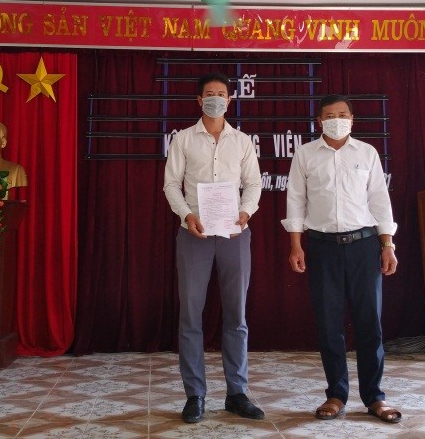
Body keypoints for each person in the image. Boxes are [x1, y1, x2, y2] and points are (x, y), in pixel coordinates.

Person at [282, 94, 402, 424]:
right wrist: (296, 245)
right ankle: (336, 394)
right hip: (322, 247)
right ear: (319, 121)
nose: (337, 120)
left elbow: (380, 200)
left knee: (369, 323)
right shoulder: (305, 154)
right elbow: (296, 200)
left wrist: (387, 244)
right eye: (330, 115)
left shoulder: (367, 153)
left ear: (352, 119)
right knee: (328, 323)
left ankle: (374, 396)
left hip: (364, 246)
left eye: (343, 114)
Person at [163, 72, 264, 424]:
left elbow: (254, 184)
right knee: (191, 315)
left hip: (235, 234)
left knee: (236, 315)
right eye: (209, 94)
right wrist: (187, 215)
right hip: (195, 234)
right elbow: (171, 185)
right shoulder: (183, 139)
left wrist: (245, 212)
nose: (216, 99)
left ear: (230, 100)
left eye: (221, 94)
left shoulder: (242, 141)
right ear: (199, 100)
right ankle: (195, 395)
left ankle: (237, 393)